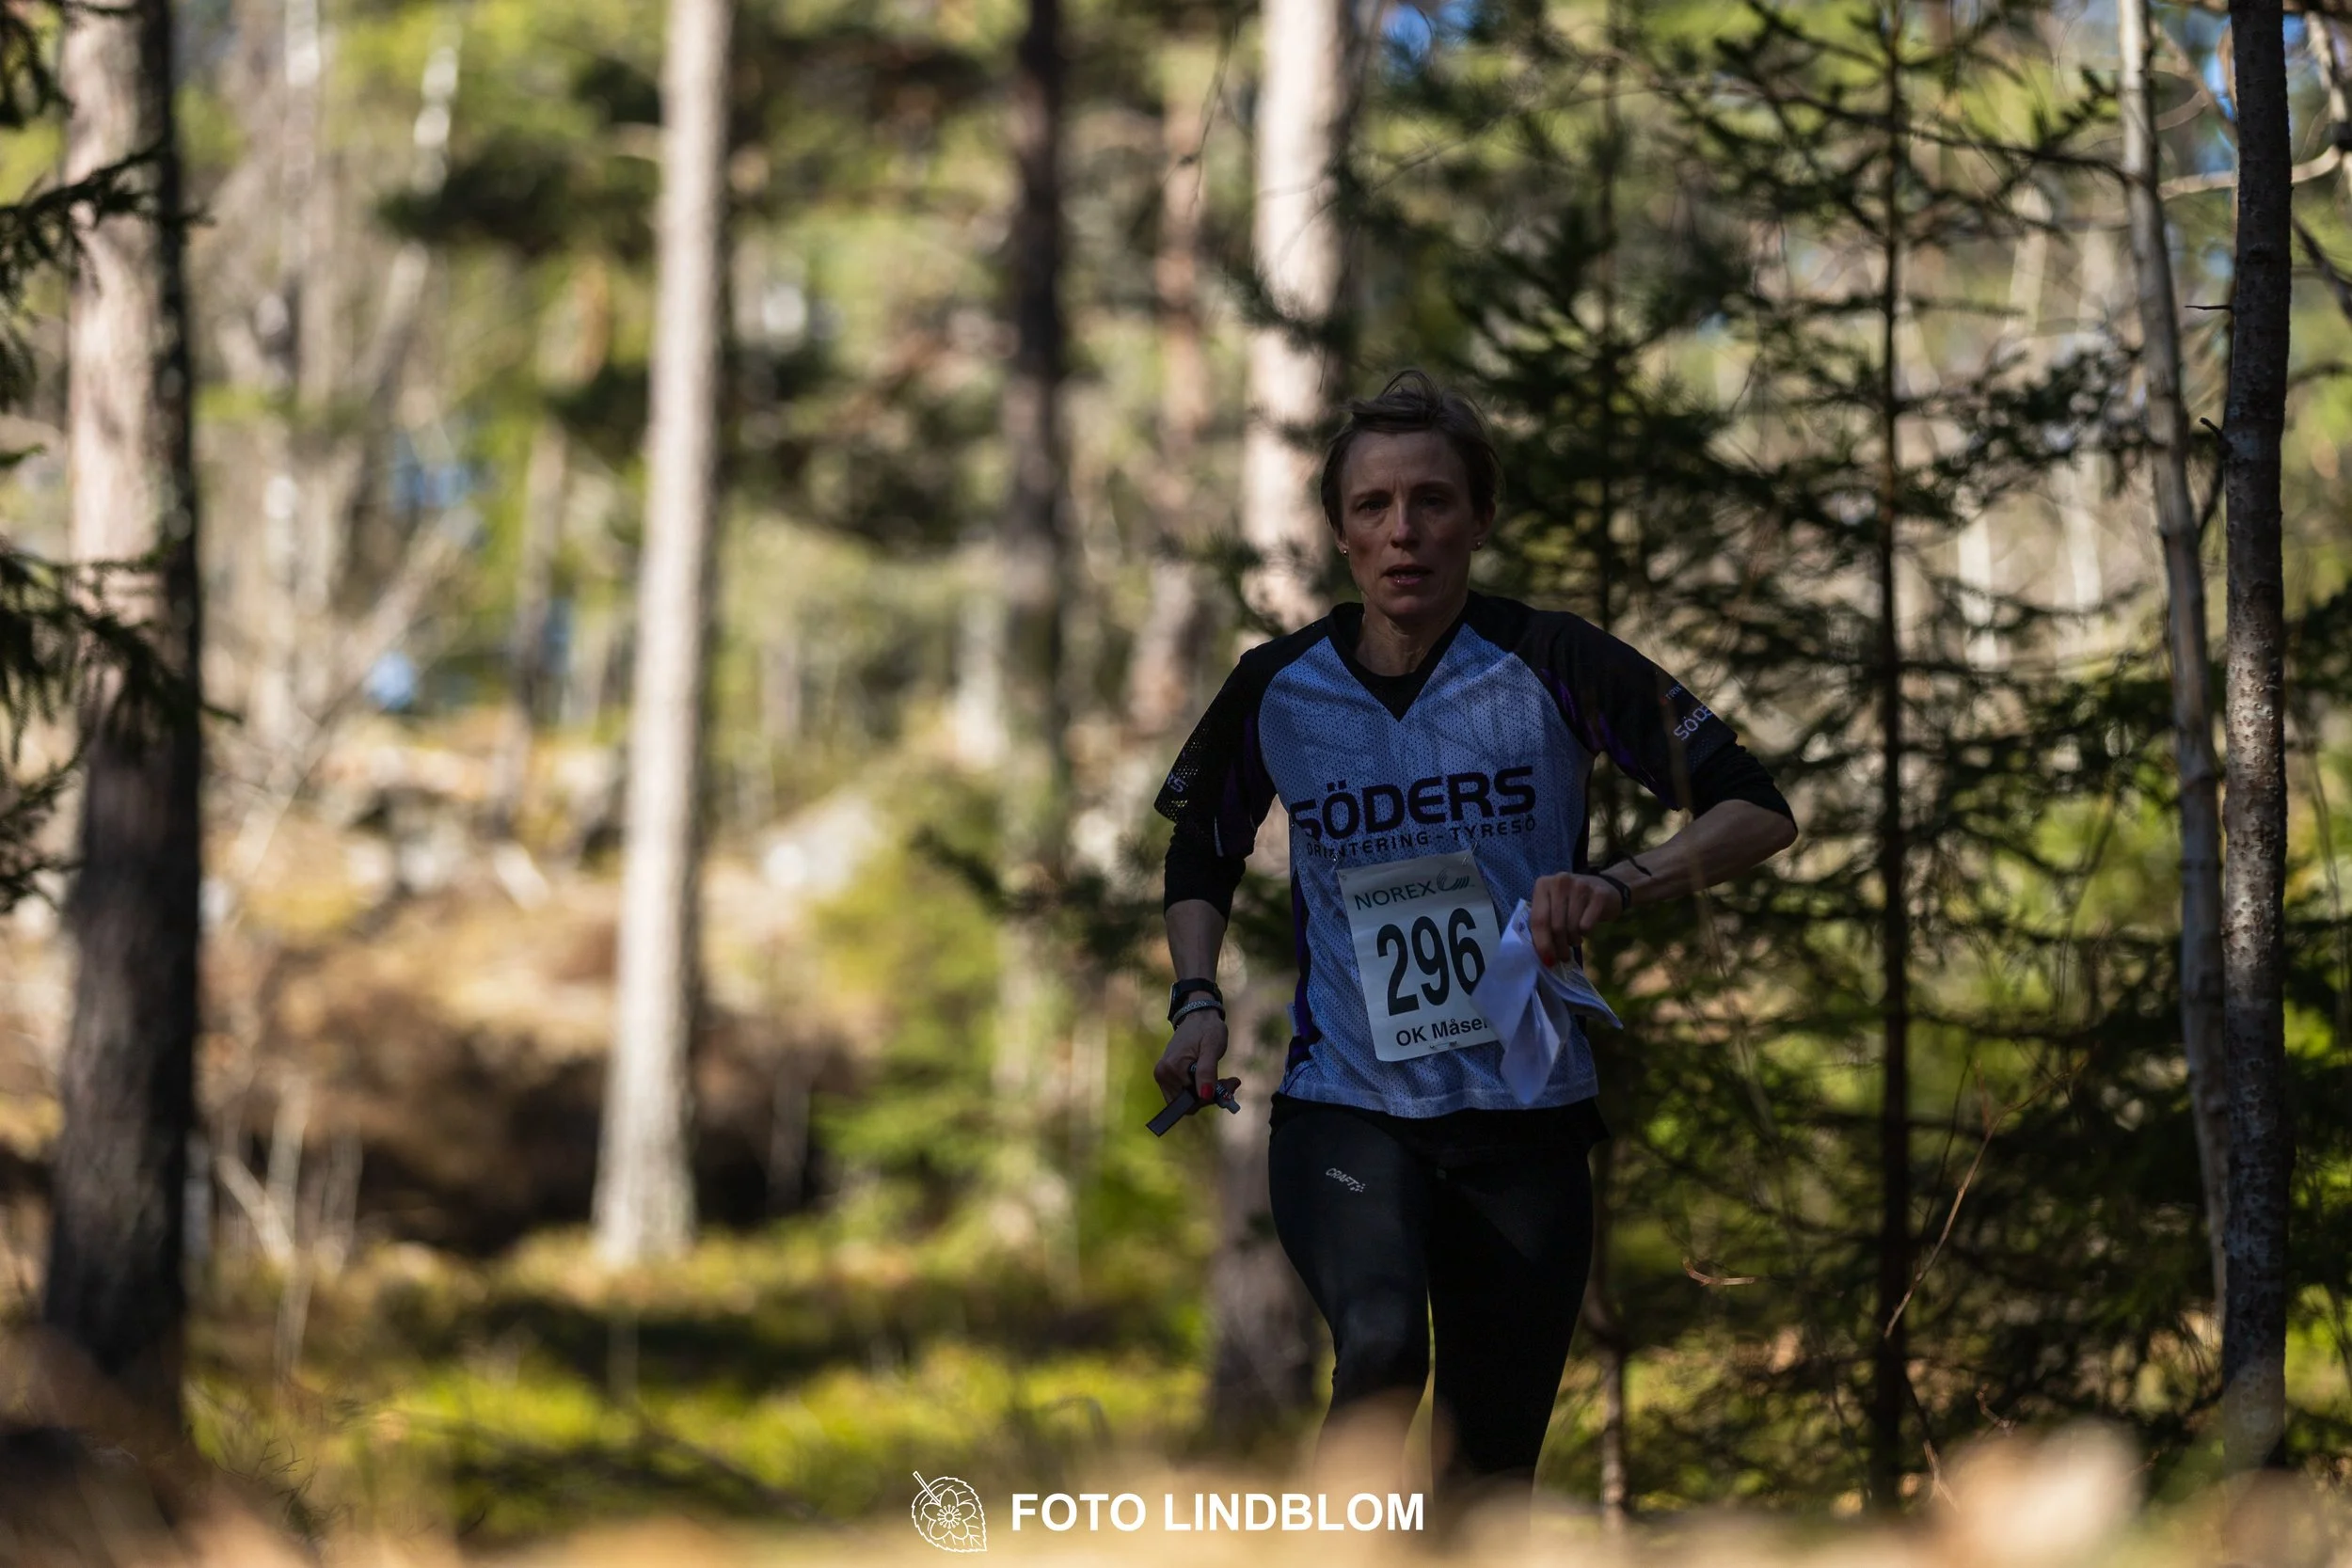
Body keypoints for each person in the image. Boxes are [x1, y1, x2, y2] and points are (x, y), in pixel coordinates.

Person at [1152, 370, 1796, 1516]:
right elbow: (1200, 848)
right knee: (1386, 1344)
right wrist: (1194, 995)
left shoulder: (1554, 660)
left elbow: (1754, 805)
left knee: (1488, 1478)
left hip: (1526, 1118)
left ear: (1479, 518)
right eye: (1374, 506)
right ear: (1341, 530)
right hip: (1348, 1106)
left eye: (1434, 501)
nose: (1405, 531)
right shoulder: (1277, 688)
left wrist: (1615, 884)